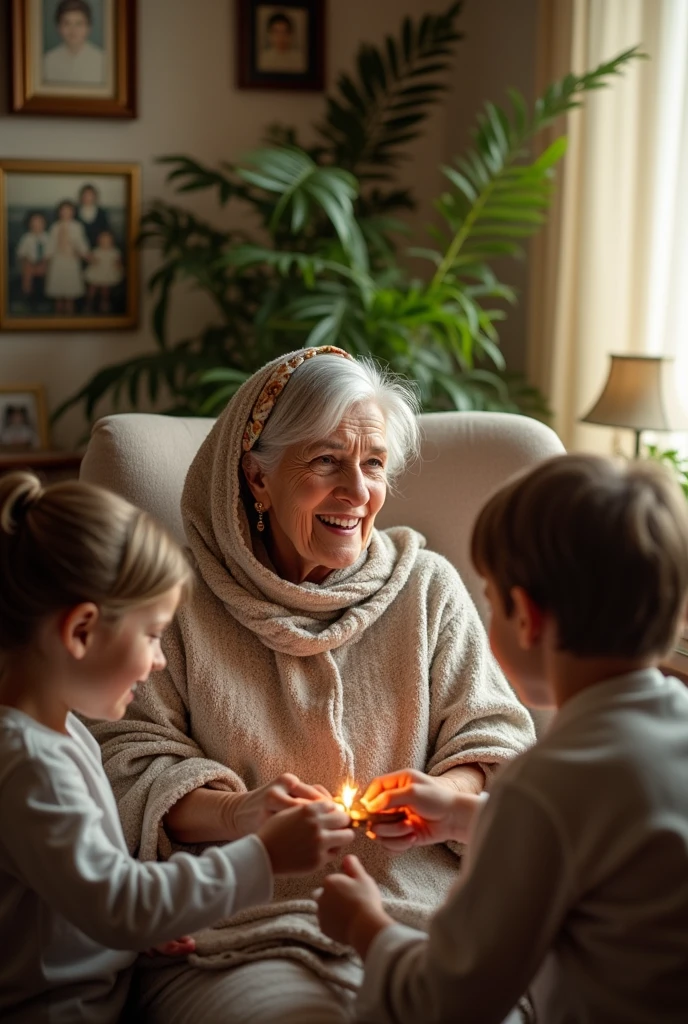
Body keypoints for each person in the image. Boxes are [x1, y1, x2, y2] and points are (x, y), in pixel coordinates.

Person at [92, 346, 536, 1022]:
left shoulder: (427, 589)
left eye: (374, 463)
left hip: (428, 917)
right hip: (241, 933)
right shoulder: (175, 601)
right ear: (257, 477)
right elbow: (125, 757)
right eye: (327, 460)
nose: (358, 491)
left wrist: (443, 796)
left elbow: (497, 740)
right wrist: (240, 813)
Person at [317, 454, 688, 1024]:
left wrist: (365, 924)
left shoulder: (544, 785)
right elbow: (604, 836)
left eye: (490, 599)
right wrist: (465, 815)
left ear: (526, 616)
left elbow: (447, 1000)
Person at [0, 471, 354, 1023]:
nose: (159, 659)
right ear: (81, 633)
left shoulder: (58, 732)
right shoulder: (30, 765)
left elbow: (81, 890)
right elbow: (119, 903)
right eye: (149, 636)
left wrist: (133, 936)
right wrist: (263, 856)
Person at [43, 0, 105, 86]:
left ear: (89, 27)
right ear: (58, 28)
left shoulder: (103, 60)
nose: (73, 30)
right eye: (67, 24)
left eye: (79, 24)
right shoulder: (47, 61)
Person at [45, 199, 90, 314]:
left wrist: (84, 253)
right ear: (59, 212)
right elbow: (51, 243)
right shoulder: (55, 227)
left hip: (71, 261)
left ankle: (70, 319)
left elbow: (81, 242)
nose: (65, 213)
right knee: (58, 294)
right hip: (58, 261)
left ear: (73, 212)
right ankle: (58, 319)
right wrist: (47, 257)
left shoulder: (77, 226)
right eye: (63, 210)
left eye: (68, 210)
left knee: (70, 294)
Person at [84, 229, 123, 312]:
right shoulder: (96, 251)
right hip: (97, 273)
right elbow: (92, 260)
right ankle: (89, 304)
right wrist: (91, 259)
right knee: (92, 289)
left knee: (105, 291)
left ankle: (104, 304)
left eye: (107, 241)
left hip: (107, 274)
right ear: (99, 241)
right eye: (103, 240)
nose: (105, 242)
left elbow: (118, 262)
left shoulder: (114, 252)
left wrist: (119, 268)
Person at [15, 211, 49, 306]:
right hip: (30, 263)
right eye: (34, 223)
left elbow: (50, 253)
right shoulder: (26, 238)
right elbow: (21, 254)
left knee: (48, 265)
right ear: (29, 224)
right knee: (27, 267)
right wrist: (29, 261)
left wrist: (44, 262)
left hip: (44, 263)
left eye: (40, 223)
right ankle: (27, 294)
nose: (37, 225)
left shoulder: (47, 237)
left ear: (44, 224)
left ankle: (46, 297)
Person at [77, 183, 111, 249]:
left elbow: (105, 231)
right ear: (81, 196)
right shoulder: (75, 211)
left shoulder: (102, 213)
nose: (88, 197)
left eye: (90, 195)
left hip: (98, 247)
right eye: (85, 195)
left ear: (95, 197)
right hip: (79, 247)